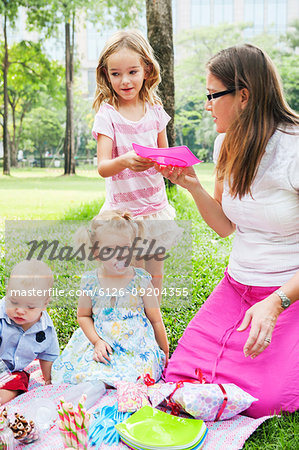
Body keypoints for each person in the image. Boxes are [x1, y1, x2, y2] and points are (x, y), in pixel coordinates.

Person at [156, 44, 299, 418]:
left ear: (244, 96)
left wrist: (277, 302)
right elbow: (225, 225)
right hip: (237, 286)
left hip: (290, 294)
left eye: (212, 95)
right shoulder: (225, 144)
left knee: (266, 401)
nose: (207, 105)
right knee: (182, 377)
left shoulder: (295, 148)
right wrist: (193, 186)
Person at [92, 29, 182, 303]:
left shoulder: (155, 109)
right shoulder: (107, 113)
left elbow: (164, 155)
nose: (125, 80)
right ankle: (127, 321)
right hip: (124, 215)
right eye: (116, 73)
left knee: (155, 275)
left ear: (146, 68)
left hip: (155, 208)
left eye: (132, 71)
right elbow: (103, 167)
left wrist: (167, 162)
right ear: (106, 74)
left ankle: (153, 324)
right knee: (129, 275)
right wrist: (125, 161)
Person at [51, 211, 169, 387]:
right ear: (96, 253)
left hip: (135, 347)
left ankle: (114, 383)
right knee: (82, 372)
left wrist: (164, 353)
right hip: (101, 342)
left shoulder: (141, 280)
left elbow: (156, 320)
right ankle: (99, 384)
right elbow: (83, 316)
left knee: (139, 375)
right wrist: (97, 341)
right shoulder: (90, 282)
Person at [0, 260, 59, 405]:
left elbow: (48, 355)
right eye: (14, 302)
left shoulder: (46, 329)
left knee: (19, 382)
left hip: (11, 373)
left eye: (30, 306)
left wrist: (49, 380)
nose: (20, 310)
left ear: (44, 304)